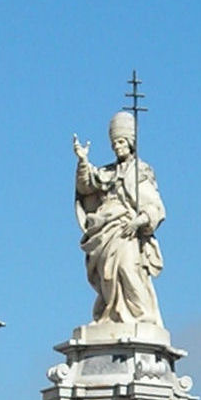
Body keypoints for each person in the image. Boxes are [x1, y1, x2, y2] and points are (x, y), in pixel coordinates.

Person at [73, 112, 165, 326]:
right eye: (114, 143)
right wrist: (83, 160)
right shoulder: (107, 171)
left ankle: (141, 317)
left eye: (121, 142)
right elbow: (87, 186)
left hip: (125, 229)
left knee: (127, 269)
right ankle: (112, 313)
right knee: (107, 275)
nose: (117, 147)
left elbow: (155, 206)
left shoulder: (140, 171)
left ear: (131, 143)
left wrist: (138, 222)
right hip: (105, 231)